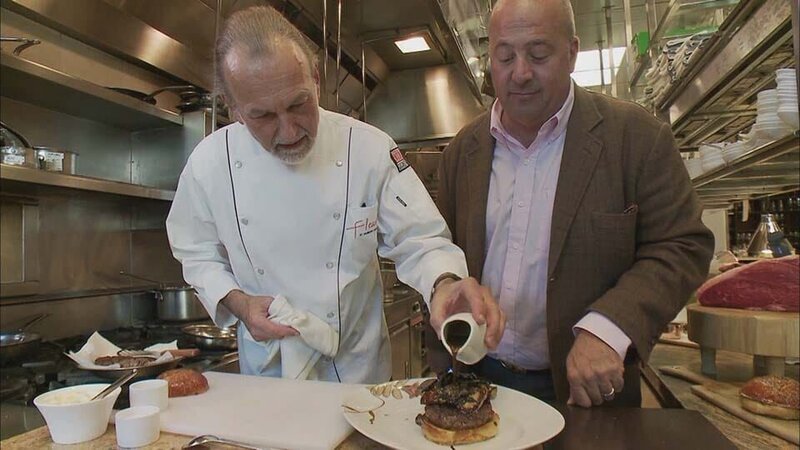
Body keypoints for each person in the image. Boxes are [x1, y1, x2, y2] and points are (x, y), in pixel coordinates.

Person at [166, 6, 505, 384]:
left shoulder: (369, 149)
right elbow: (195, 251)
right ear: (235, 111)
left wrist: (444, 284)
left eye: (298, 104)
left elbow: (420, 240)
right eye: (263, 116)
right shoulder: (209, 164)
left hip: (357, 374)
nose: (289, 130)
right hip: (269, 378)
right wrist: (239, 303)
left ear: (315, 80)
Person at [431, 0, 714, 407]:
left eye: (538, 54)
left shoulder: (636, 138)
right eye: (505, 56)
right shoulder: (462, 152)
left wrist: (610, 327)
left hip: (586, 394)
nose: (520, 73)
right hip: (478, 381)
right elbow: (440, 252)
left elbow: (682, 245)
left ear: (572, 52)